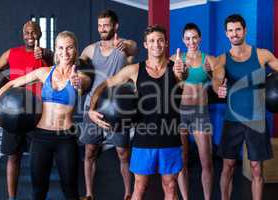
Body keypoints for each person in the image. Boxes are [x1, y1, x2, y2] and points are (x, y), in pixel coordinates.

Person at [88, 25, 187, 200]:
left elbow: (182, 77)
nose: (156, 44)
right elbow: (104, 85)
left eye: (160, 40)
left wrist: (183, 73)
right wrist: (91, 110)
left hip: (169, 136)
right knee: (140, 186)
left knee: (170, 186)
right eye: (152, 41)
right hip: (144, 137)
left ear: (166, 43)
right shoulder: (134, 70)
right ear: (146, 44)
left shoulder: (177, 68)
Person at [0, 31, 90, 200]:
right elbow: (13, 83)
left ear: (75, 50)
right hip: (41, 137)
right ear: (56, 50)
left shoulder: (80, 77)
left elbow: (81, 88)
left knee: (70, 191)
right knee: (38, 191)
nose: (65, 52)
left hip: (66, 139)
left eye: (69, 48)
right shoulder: (44, 73)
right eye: (61, 48)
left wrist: (77, 84)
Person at [0, 21, 53, 200]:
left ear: (40, 33)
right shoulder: (11, 53)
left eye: (33, 32)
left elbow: (56, 66)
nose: (30, 36)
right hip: (12, 113)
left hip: (37, 114)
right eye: (27, 32)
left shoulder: (45, 53)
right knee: (13, 157)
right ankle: (12, 198)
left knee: (38, 161)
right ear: (22, 33)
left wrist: (45, 55)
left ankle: (38, 196)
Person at [214, 14, 278, 200]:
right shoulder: (222, 59)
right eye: (231, 30)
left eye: (238, 29)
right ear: (226, 34)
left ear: (245, 30)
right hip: (232, 119)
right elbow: (217, 79)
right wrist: (219, 88)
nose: (234, 34)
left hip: (256, 120)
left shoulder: (262, 54)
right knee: (228, 166)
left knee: (257, 168)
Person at [79, 9, 137, 200]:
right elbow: (78, 66)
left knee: (122, 153)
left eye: (106, 25)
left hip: (117, 108)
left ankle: (128, 193)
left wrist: (126, 44)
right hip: (93, 107)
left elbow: (134, 48)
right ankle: (89, 193)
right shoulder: (90, 49)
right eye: (100, 25)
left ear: (115, 26)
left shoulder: (123, 49)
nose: (102, 29)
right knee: (90, 151)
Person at [170, 23, 217, 200]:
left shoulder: (209, 59)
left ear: (200, 38)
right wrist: (176, 71)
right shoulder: (175, 59)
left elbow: (218, 86)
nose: (191, 41)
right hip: (180, 113)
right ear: (183, 40)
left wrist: (211, 74)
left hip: (200, 113)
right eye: (188, 38)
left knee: (206, 160)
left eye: (195, 37)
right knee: (181, 160)